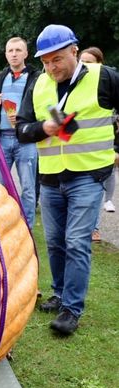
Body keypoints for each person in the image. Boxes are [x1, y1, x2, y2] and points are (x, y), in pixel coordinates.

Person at [17, 25, 119, 335]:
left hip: (88, 176)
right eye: (46, 61)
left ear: (74, 50)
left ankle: (71, 310)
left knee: (76, 242)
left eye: (57, 59)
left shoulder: (105, 76)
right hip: (50, 179)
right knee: (55, 242)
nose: (51, 68)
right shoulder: (37, 84)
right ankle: (59, 293)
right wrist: (41, 129)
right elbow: (22, 129)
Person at [0, 37, 40, 228]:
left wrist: (24, 116)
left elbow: (42, 107)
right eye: (10, 51)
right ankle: (0, 226)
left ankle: (27, 228)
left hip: (26, 140)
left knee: (28, 188)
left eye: (18, 50)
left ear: (26, 53)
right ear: (6, 54)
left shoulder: (37, 77)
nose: (14, 54)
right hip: (2, 139)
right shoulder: (0, 78)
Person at [78, 47, 117, 242]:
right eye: (82, 61)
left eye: (90, 62)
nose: (85, 66)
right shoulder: (71, 86)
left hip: (100, 152)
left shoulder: (107, 84)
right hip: (77, 152)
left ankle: (95, 227)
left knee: (96, 192)